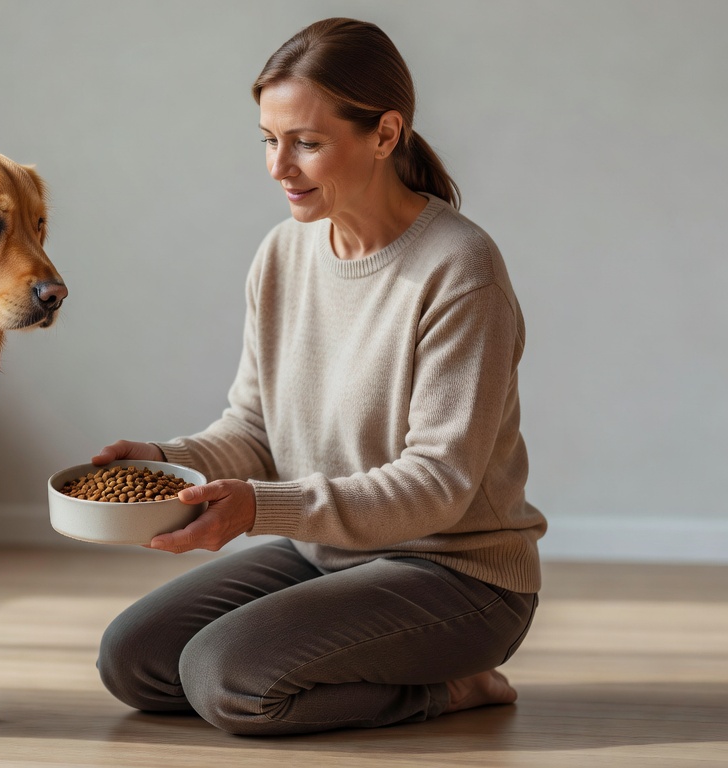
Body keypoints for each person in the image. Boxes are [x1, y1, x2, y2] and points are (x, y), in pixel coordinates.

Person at [93, 17, 546, 736]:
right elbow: (253, 428)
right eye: (269, 140)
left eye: (307, 142)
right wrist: (167, 463)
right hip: (327, 554)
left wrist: (258, 509)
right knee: (133, 660)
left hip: (459, 578)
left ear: (385, 134)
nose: (279, 166)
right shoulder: (283, 253)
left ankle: (456, 688)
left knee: (227, 679)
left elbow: (437, 484)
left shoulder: (460, 270)